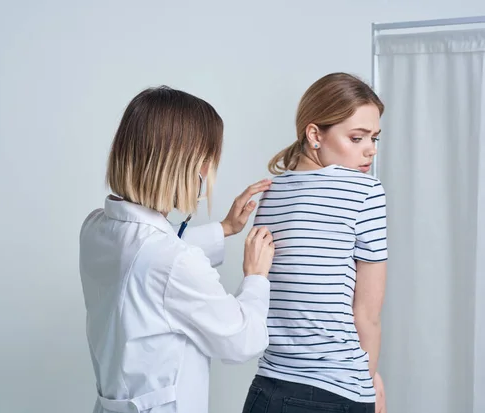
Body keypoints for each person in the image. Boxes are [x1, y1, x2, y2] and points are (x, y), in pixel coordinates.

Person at [80, 86, 275, 413]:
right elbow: (243, 341)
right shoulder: (171, 260)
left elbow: (141, 262)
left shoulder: (96, 227)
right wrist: (255, 278)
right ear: (187, 165)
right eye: (208, 162)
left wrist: (224, 229)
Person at [242, 73, 388, 413]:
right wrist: (368, 383)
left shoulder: (269, 192)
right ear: (314, 135)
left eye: (375, 138)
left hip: (266, 390)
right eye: (356, 138)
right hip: (336, 390)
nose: (371, 150)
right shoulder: (365, 192)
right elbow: (367, 314)